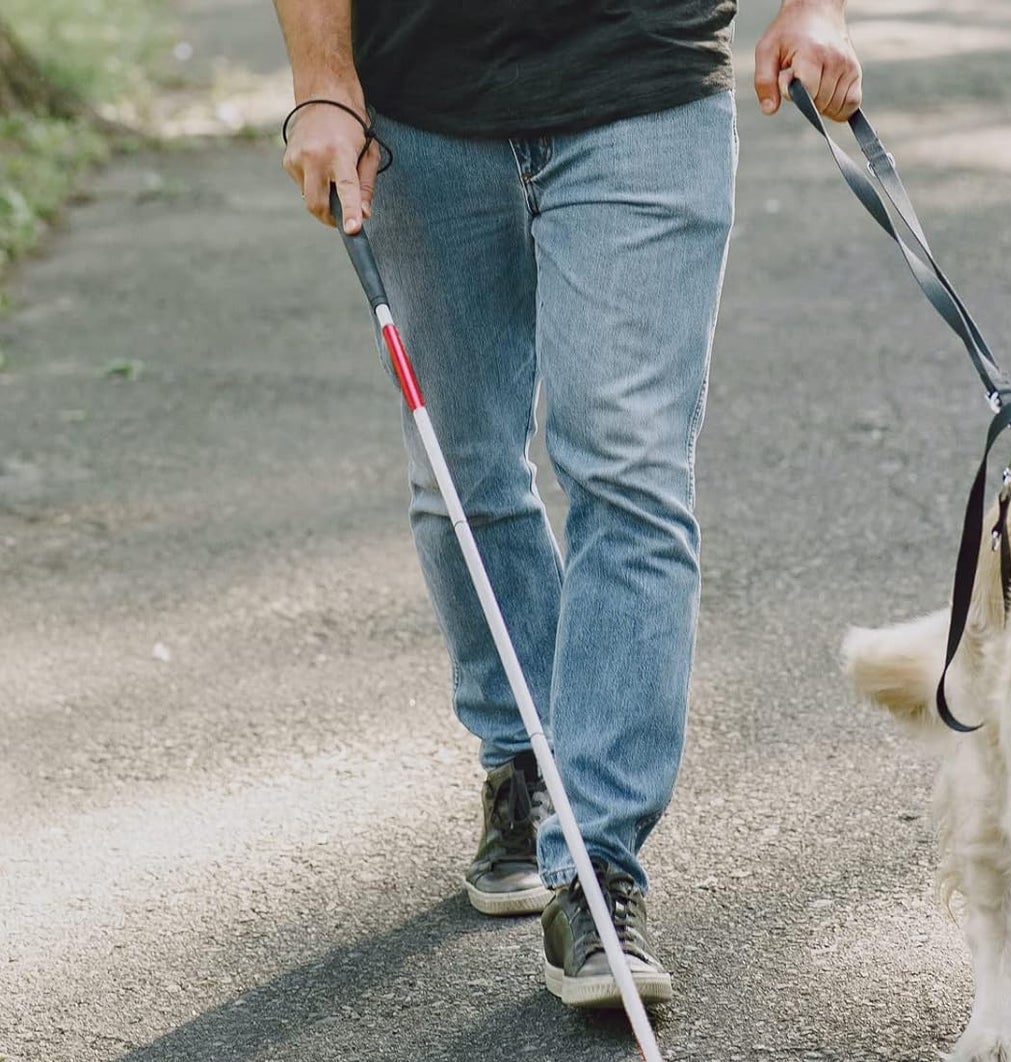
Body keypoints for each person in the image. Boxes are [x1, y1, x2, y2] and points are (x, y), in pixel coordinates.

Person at [273, 0, 861, 1008]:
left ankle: (595, 866)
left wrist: (813, 9)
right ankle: (522, 749)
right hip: (422, 111)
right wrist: (324, 83)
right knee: (462, 471)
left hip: (642, 87)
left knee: (628, 464)